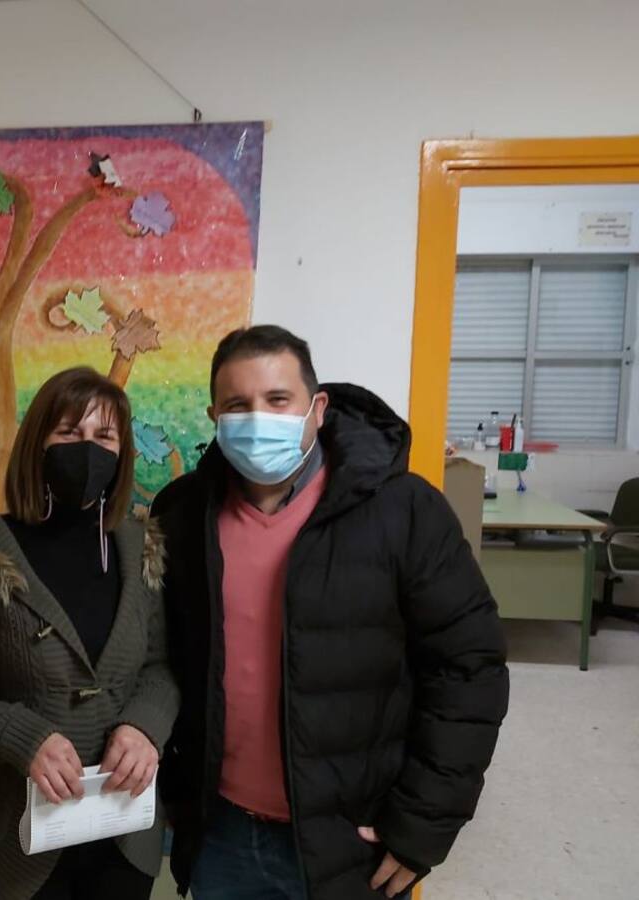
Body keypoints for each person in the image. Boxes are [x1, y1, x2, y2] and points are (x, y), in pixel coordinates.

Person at [151, 326, 509, 900]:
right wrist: (176, 789)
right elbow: (168, 661)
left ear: (317, 409)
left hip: (349, 844)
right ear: (214, 416)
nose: (258, 418)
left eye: (278, 399)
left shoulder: (406, 510)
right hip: (222, 836)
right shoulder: (182, 514)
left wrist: (422, 823)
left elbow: (469, 669)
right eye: (238, 405)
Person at [0, 366, 180, 900]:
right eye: (69, 432)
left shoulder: (139, 550)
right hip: (14, 848)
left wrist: (145, 727)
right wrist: (21, 736)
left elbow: (159, 666)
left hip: (123, 838)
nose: (88, 449)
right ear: (37, 442)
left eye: (104, 436)